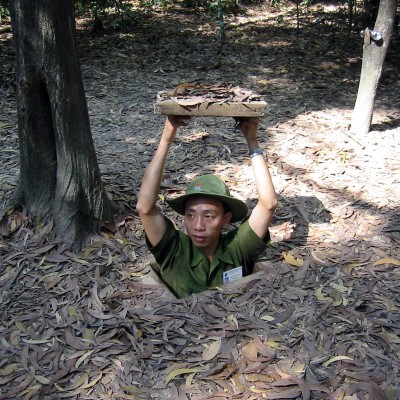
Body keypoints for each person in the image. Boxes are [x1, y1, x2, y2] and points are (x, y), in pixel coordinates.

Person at [136, 115, 277, 298]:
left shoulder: (238, 247)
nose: (198, 226)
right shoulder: (174, 249)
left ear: (226, 219)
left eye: (209, 216)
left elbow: (268, 204)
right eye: (191, 215)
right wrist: (165, 140)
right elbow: (144, 207)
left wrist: (252, 142)